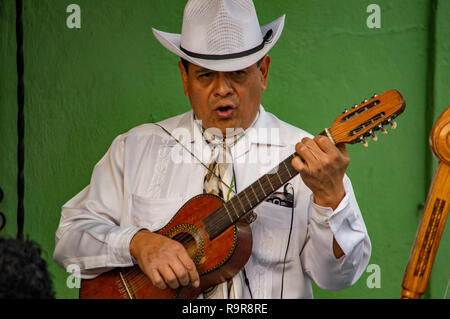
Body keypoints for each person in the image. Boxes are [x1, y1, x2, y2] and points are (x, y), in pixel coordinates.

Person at [54, 0, 371, 299]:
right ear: (184, 77)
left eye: (238, 73)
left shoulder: (309, 158)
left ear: (263, 73)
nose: (222, 89)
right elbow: (69, 238)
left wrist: (331, 198)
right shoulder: (135, 148)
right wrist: (137, 243)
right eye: (205, 75)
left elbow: (338, 278)